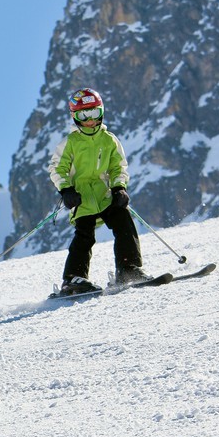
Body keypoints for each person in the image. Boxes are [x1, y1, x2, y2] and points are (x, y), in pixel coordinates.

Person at [49, 88, 148, 296]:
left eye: (94, 114)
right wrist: (66, 189)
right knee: (84, 235)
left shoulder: (109, 139)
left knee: (123, 221)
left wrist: (119, 187)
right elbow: (58, 168)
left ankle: (128, 268)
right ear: (75, 117)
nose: (89, 121)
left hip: (105, 195)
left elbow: (118, 166)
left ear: (101, 112)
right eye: (83, 116)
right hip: (81, 197)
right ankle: (73, 279)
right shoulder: (70, 142)